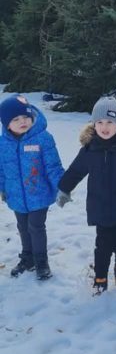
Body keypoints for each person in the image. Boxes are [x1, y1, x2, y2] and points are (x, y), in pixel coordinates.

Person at [57, 96, 116, 294]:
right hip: (101, 207)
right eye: (100, 122)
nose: (104, 127)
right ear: (94, 124)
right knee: (102, 246)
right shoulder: (90, 149)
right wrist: (64, 188)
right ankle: (100, 276)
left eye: (110, 122)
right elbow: (76, 170)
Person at [0, 94, 64, 280]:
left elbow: (53, 166)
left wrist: (62, 187)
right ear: (7, 124)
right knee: (23, 226)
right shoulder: (3, 144)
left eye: (25, 117)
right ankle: (27, 258)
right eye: (16, 119)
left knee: (36, 226)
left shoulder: (43, 138)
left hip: (38, 194)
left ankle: (41, 261)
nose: (22, 122)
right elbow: (1, 169)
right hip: (16, 195)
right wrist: (2, 188)